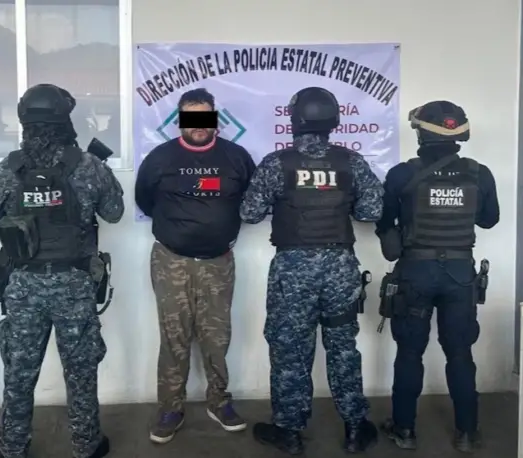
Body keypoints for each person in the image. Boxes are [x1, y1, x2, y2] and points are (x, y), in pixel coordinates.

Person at [0, 83, 124, 458]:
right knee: (80, 370)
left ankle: (12, 448)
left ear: (25, 123)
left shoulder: (9, 170)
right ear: (65, 120)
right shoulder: (88, 166)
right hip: (74, 284)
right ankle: (86, 444)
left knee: (19, 372)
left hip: (24, 285)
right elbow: (114, 212)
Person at [240, 87, 383, 455]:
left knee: (290, 350)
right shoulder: (351, 162)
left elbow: (249, 213)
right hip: (340, 269)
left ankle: (289, 432)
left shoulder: (277, 163)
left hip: (292, 270)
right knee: (343, 347)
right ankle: (355, 429)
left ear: (295, 120)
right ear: (333, 121)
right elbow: (371, 211)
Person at [375, 101, 499, 452]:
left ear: (421, 133)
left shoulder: (402, 174)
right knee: (460, 352)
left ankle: (404, 430)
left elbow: (384, 221)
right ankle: (466, 433)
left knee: (409, 352)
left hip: (415, 273)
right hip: (460, 275)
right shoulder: (480, 173)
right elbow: (489, 220)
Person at [135, 88, 256, 444]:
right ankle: (171, 408)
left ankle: (219, 401)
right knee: (174, 338)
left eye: (205, 117)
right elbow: (145, 199)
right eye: (192, 117)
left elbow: (251, 200)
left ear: (215, 118)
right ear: (180, 120)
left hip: (218, 263)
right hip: (171, 261)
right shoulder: (160, 158)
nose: (199, 125)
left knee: (216, 338)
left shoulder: (236, 157)